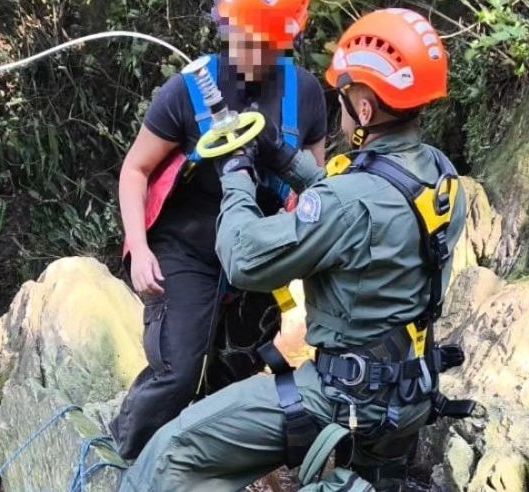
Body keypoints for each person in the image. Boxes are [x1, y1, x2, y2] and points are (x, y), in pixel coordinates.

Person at [118, 8, 474, 491]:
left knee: (172, 452)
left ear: (365, 110)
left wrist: (237, 176)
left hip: (342, 394)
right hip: (409, 391)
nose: (341, 111)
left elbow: (244, 258)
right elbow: (353, 195)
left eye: (346, 99)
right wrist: (283, 157)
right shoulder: (441, 175)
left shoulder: (348, 199)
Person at [110, 0, 328, 461]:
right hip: (187, 246)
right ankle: (125, 451)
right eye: (247, 42)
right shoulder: (188, 91)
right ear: (227, 29)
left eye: (268, 46)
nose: (256, 55)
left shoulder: (304, 94)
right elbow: (136, 169)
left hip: (255, 249)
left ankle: (204, 464)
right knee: (179, 370)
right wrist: (140, 247)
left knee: (237, 367)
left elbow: (316, 185)